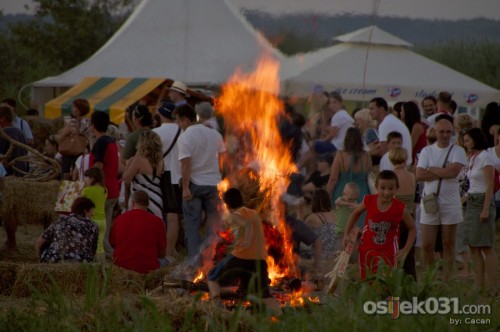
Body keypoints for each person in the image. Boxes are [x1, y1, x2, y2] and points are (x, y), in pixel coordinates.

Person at [416, 114, 467, 282]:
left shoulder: (458, 151)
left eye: (448, 132)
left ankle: (446, 278)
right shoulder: (427, 150)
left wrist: (432, 169)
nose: (445, 135)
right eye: (442, 131)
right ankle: (432, 275)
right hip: (430, 201)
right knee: (427, 244)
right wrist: (442, 171)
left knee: (448, 243)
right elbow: (419, 174)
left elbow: (453, 172)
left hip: (450, 202)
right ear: (435, 131)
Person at [175, 104, 226, 262]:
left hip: (194, 185)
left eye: (178, 121)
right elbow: (223, 159)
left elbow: (186, 164)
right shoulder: (215, 134)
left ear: (185, 119)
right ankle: (211, 260)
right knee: (214, 227)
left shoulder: (186, 136)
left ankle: (194, 264)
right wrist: (219, 175)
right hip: (214, 185)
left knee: (192, 226)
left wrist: (184, 188)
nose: (178, 125)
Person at [343, 170, 416, 280]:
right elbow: (355, 213)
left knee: (389, 285)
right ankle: (369, 298)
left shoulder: (400, 208)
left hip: (389, 252)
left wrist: (405, 249)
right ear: (376, 187)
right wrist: (346, 234)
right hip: (366, 249)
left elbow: (412, 229)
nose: (386, 192)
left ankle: (389, 298)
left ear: (397, 188)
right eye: (382, 188)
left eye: (391, 188)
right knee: (366, 281)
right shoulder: (369, 200)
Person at [462, 128, 497, 293]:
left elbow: (489, 185)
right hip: (472, 201)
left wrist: (485, 209)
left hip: (483, 200)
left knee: (486, 246)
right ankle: (479, 283)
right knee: (473, 246)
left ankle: (491, 286)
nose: (465, 143)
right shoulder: (472, 158)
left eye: (468, 140)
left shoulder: (486, 157)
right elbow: (472, 184)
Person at [110, 190, 167, 274]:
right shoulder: (158, 222)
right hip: (148, 269)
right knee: (169, 260)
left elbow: (113, 244)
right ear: (148, 204)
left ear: (132, 203)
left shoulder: (119, 219)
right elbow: (162, 254)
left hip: (121, 268)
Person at [153, 101, 183, 260]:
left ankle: (166, 253)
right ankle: (171, 251)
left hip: (163, 175)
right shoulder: (183, 131)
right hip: (180, 177)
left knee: (163, 215)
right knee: (174, 217)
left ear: (162, 115)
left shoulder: (155, 133)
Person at [89, 111, 120, 259]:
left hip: (101, 190)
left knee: (98, 227)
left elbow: (98, 166)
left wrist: (89, 187)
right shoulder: (112, 142)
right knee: (105, 228)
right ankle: (110, 254)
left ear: (92, 125)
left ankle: (107, 254)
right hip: (112, 189)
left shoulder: (100, 142)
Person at [327, 127, 371, 223]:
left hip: (343, 193)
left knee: (342, 225)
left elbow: (333, 179)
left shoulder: (340, 155)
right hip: (362, 194)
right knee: (360, 227)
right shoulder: (367, 156)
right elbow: (369, 176)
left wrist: (327, 195)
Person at [35, 197, 98, 263]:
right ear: (85, 210)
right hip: (81, 263)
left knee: (47, 241)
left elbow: (38, 242)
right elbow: (93, 250)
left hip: (55, 260)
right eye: (92, 210)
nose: (93, 214)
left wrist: (40, 262)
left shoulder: (60, 221)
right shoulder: (93, 226)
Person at [389, 147, 417, 280]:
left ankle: (394, 291)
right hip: (410, 217)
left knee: (393, 256)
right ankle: (411, 291)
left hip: (395, 219)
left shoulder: (390, 176)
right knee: (409, 257)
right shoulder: (412, 175)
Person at [122, 130, 164, 218]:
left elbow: (126, 178)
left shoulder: (139, 159)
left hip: (140, 199)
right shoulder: (160, 161)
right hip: (157, 198)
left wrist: (129, 163)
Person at [369, 97, 412, 165]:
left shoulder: (385, 123)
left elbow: (383, 151)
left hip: (399, 162)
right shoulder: (390, 120)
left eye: (372, 109)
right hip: (402, 160)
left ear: (381, 109)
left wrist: (366, 153)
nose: (369, 112)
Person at [58, 98, 92, 178]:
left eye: (74, 107)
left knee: (70, 174)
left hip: (76, 151)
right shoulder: (86, 122)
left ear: (80, 109)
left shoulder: (74, 122)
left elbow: (62, 136)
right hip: (76, 151)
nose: (72, 110)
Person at [82, 167, 107, 260]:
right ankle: (102, 266)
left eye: (86, 177)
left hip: (91, 221)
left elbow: (79, 202)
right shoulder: (104, 190)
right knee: (100, 246)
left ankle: (92, 266)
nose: (84, 179)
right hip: (103, 221)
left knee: (89, 246)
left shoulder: (86, 190)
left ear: (92, 178)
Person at [304, 189, 337, 259]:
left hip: (321, 254)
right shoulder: (335, 214)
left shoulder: (312, 218)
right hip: (335, 253)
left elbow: (303, 237)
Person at [0, 104, 28, 176]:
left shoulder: (4, 134)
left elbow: (2, 156)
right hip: (21, 174)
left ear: (3, 118)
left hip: (8, 176)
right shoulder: (20, 132)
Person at [334, 182, 360, 249]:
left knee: (348, 251)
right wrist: (351, 204)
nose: (352, 201)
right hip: (340, 231)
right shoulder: (340, 200)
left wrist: (356, 206)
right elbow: (337, 202)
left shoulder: (354, 203)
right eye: (350, 199)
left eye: (354, 199)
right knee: (340, 250)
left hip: (350, 232)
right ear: (343, 194)